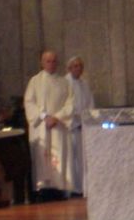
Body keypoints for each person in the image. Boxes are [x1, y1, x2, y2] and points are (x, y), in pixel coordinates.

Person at [23, 50, 74, 200]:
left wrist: (56, 117)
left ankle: (59, 187)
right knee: (42, 159)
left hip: (58, 126)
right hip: (41, 128)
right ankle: (43, 189)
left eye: (53, 61)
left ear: (57, 63)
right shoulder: (35, 81)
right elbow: (29, 102)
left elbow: (70, 104)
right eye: (48, 61)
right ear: (42, 63)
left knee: (59, 157)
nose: (51, 64)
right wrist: (44, 117)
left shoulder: (65, 82)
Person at [65, 56, 94, 196]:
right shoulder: (65, 83)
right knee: (71, 159)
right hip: (70, 126)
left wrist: (88, 117)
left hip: (83, 126)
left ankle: (82, 188)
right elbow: (65, 105)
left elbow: (90, 103)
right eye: (75, 66)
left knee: (82, 159)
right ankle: (72, 189)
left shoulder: (84, 84)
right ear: (69, 68)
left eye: (80, 66)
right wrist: (76, 116)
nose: (78, 68)